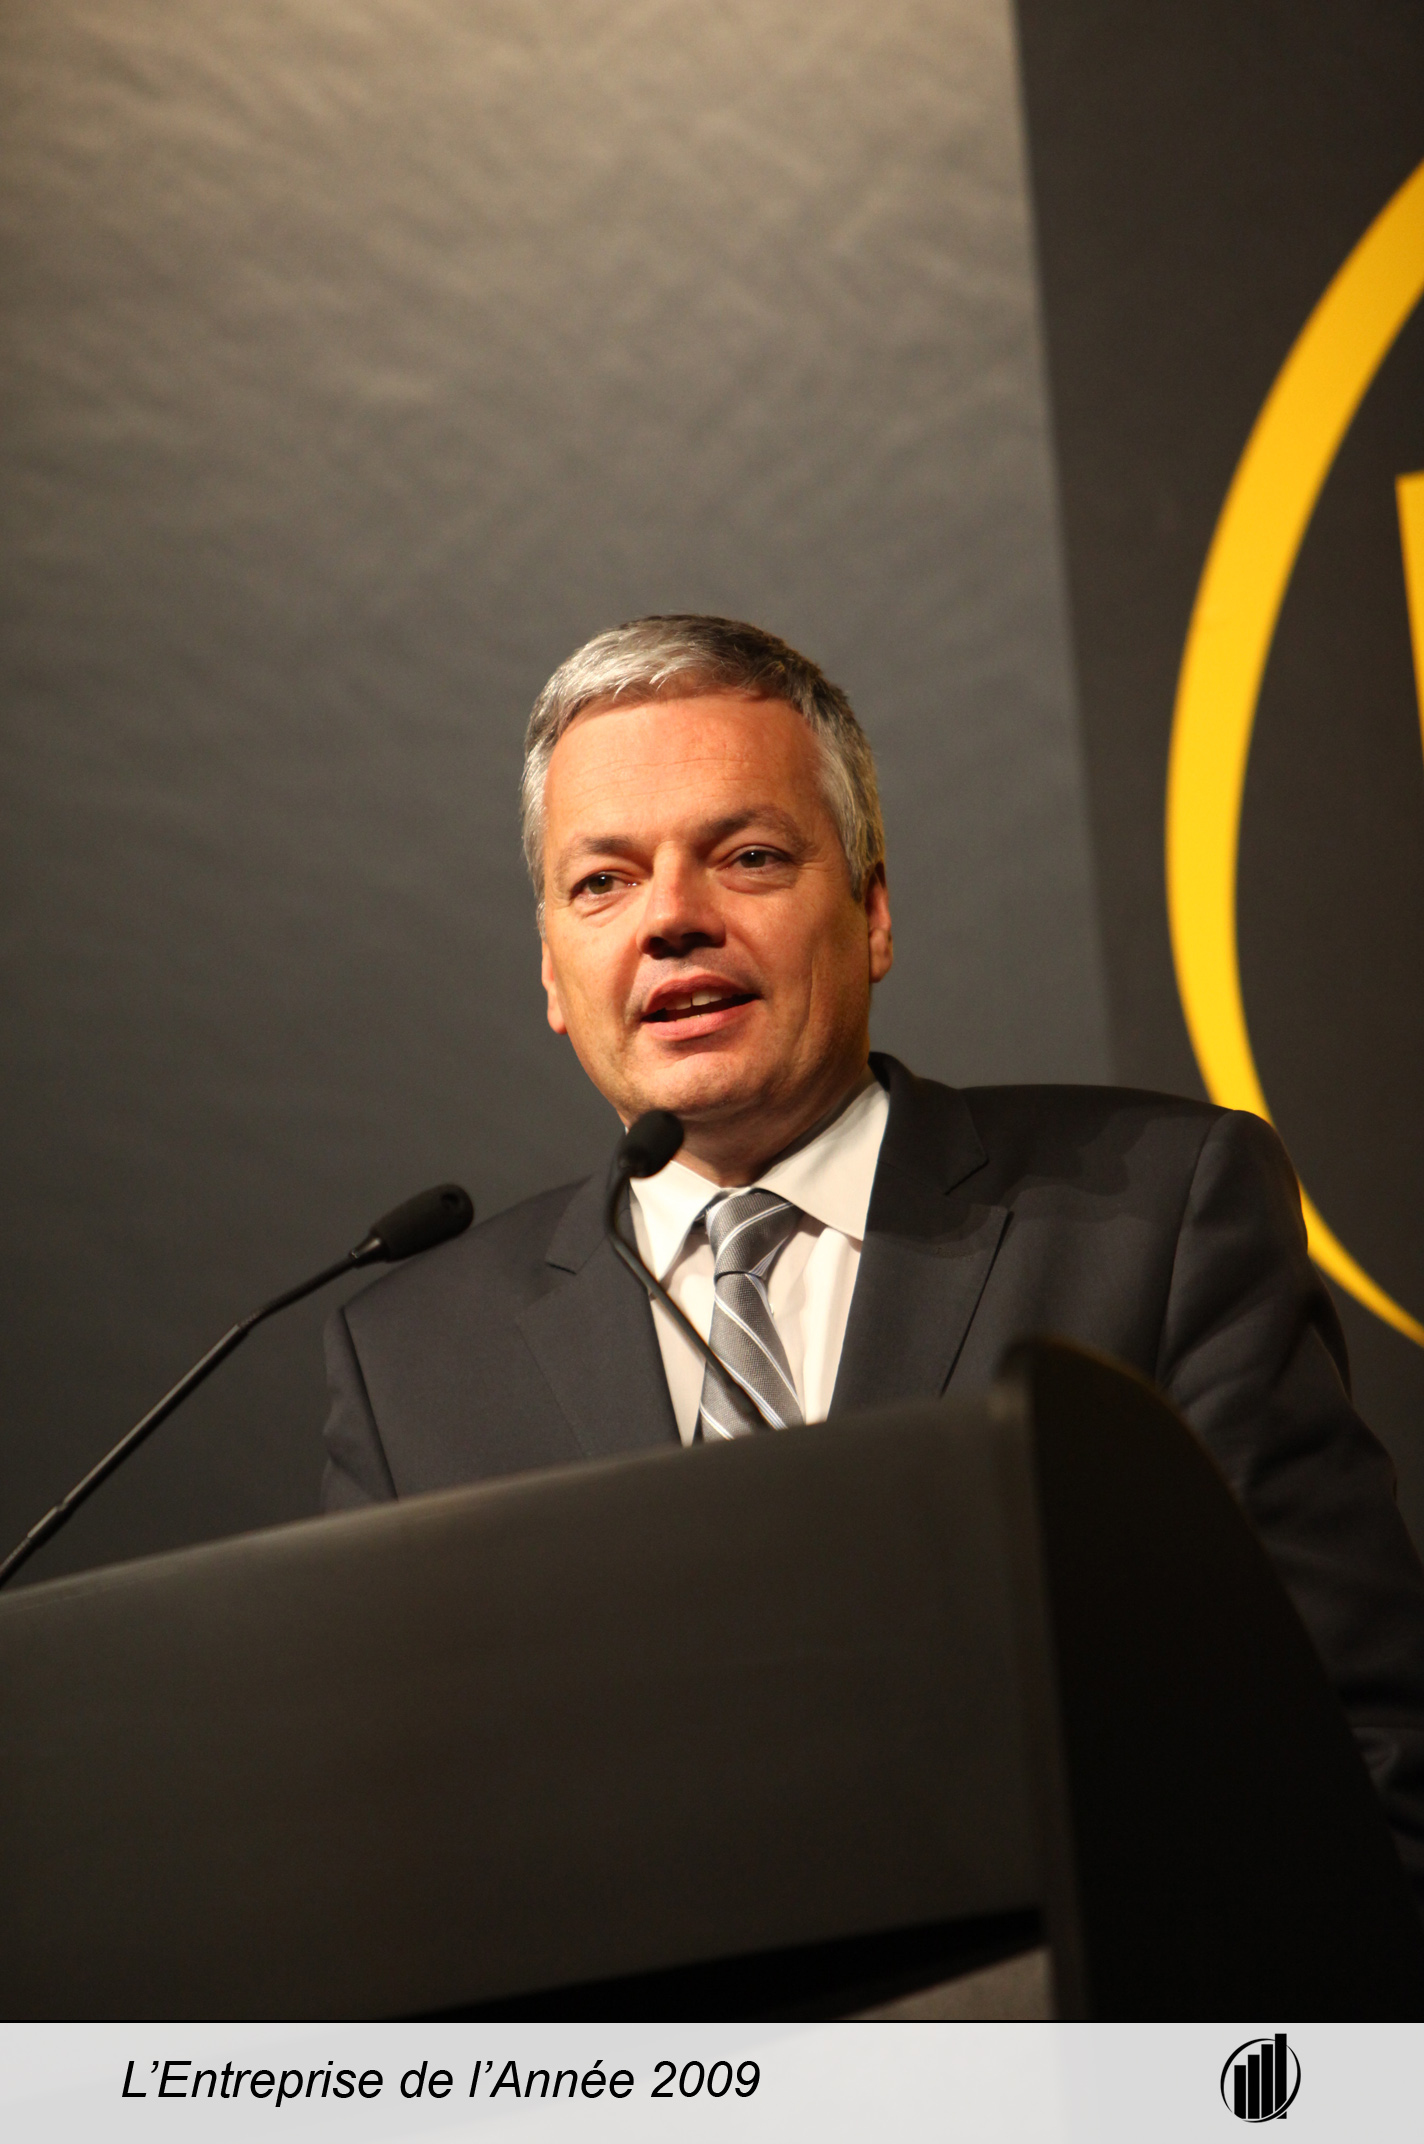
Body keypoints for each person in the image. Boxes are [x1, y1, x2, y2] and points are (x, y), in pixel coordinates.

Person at [322, 612, 1424, 1895]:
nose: (669, 918)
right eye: (601, 882)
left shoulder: (1156, 1217)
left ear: (873, 913)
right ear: (553, 973)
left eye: (746, 856)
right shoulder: (412, 1365)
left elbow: (1362, 1750)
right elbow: (399, 1870)